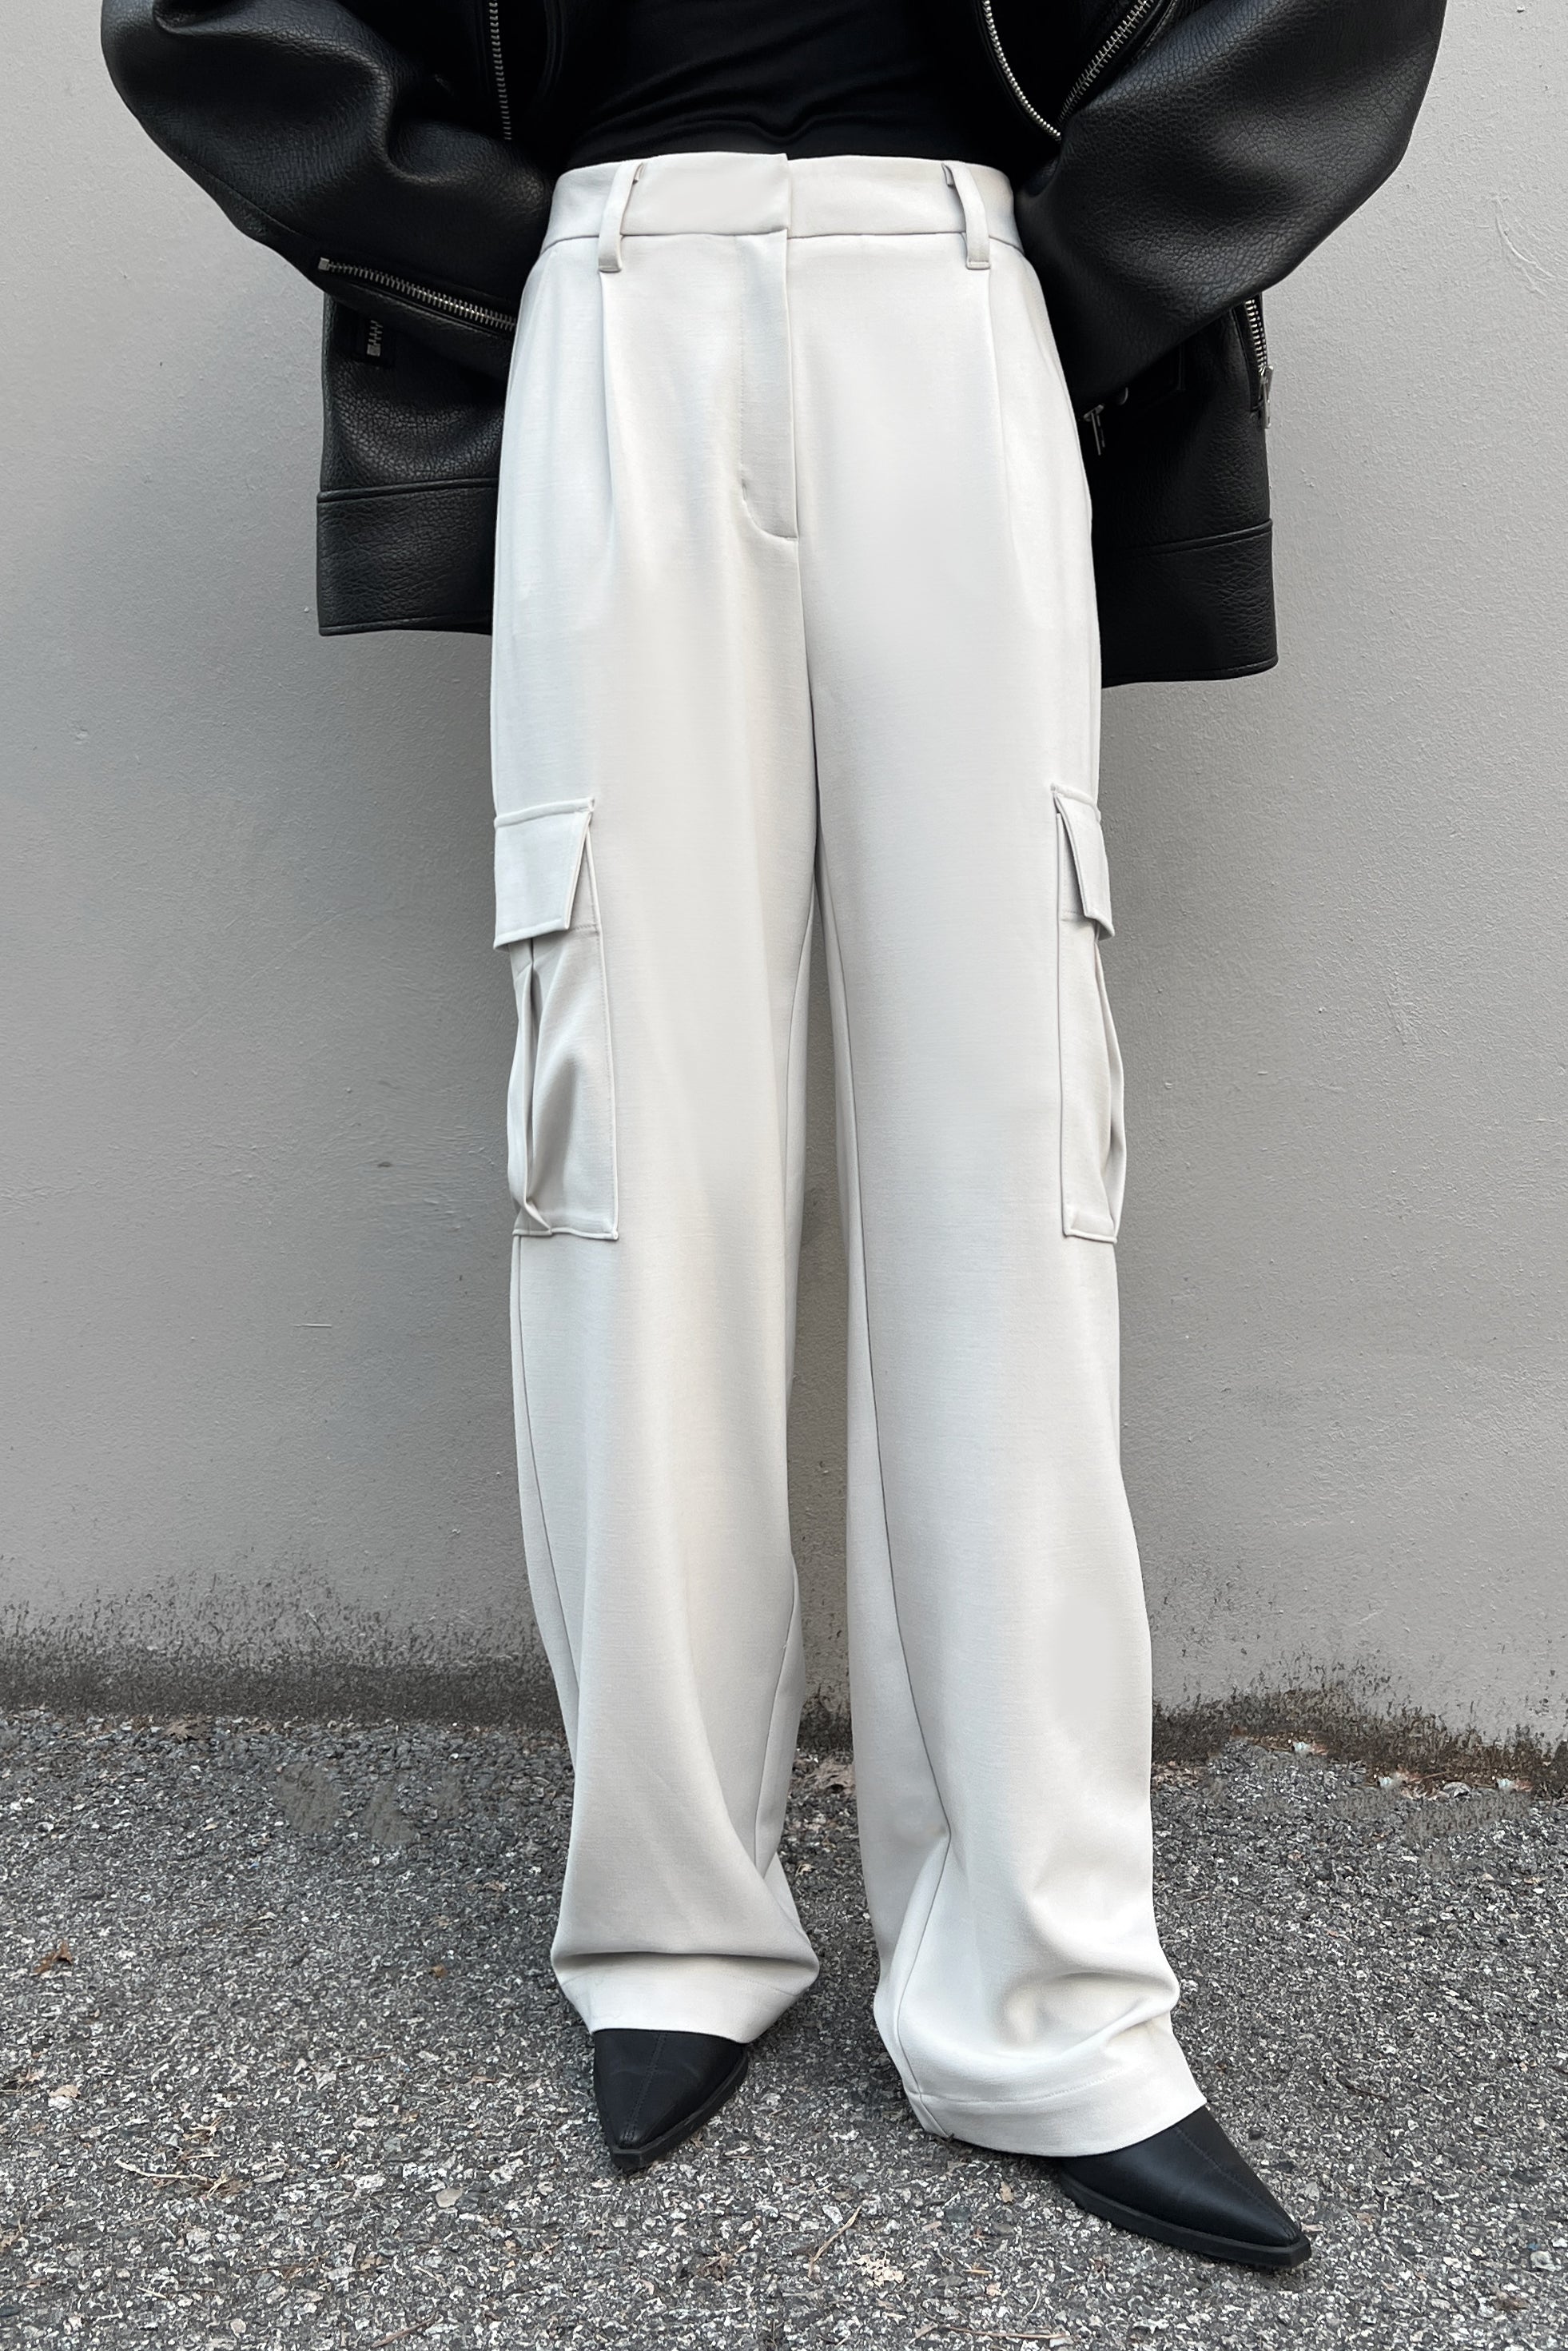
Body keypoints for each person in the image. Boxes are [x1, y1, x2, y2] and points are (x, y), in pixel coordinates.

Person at [102, 0, 1445, 2272]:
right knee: (627, 1142)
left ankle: (1045, 1996)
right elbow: (208, 20)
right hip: (611, 290)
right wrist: (495, 251)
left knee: (1009, 1140)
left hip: (969, 288)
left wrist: (1084, 260)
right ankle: (669, 1929)